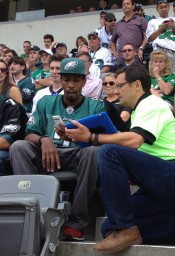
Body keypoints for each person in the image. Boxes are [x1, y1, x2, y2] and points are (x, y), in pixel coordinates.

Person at [64, 62, 175, 253]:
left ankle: (125, 229)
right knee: (108, 228)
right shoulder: (139, 110)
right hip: (159, 184)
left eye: (120, 85)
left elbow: (134, 140)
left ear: (137, 84)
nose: (117, 91)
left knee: (108, 151)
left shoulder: (152, 103)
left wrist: (91, 137)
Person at [9, 57, 105, 241]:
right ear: (60, 80)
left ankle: (76, 223)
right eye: (67, 79)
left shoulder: (96, 106)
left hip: (78, 156)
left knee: (93, 152)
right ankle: (32, 215)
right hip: (47, 155)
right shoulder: (46, 101)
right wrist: (44, 140)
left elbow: (104, 139)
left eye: (76, 80)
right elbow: (29, 132)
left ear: (84, 81)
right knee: (18, 147)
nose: (70, 85)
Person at [146, 0, 175, 81]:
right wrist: (160, 30)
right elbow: (149, 39)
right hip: (158, 50)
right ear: (157, 9)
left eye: (165, 7)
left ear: (169, 7)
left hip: (173, 51)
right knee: (157, 76)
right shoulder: (152, 22)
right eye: (161, 7)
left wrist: (173, 27)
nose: (163, 9)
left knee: (174, 77)